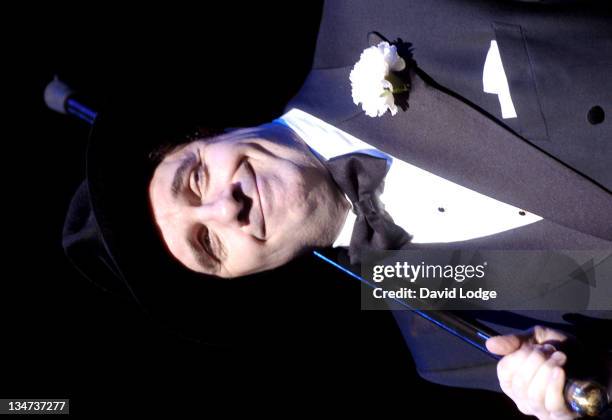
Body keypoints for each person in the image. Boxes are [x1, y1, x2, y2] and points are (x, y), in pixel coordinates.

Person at [63, 0, 612, 418]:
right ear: (239, 274)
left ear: (211, 133)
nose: (223, 209)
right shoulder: (452, 345)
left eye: (196, 178)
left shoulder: (376, 9)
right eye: (208, 244)